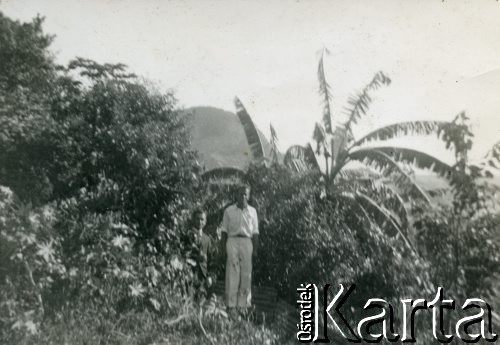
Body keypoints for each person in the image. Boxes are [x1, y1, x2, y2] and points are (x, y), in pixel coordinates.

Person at [220, 184, 259, 316]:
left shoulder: (253, 211)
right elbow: (224, 231)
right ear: (236, 195)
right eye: (240, 193)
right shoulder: (228, 211)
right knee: (232, 272)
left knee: (246, 274)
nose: (242, 196)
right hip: (232, 241)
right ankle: (231, 306)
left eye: (245, 194)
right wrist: (222, 248)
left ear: (248, 196)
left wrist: (256, 250)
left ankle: (243, 306)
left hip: (247, 242)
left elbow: (255, 232)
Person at [188, 208, 215, 300]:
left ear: (205, 222)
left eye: (202, 219)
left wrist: (209, 276)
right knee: (189, 301)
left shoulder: (207, 239)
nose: (200, 221)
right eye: (197, 219)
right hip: (189, 274)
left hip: (203, 277)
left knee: (201, 302)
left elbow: (211, 260)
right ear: (193, 220)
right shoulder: (187, 235)